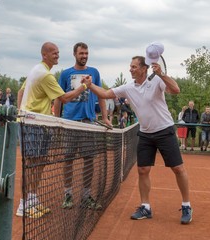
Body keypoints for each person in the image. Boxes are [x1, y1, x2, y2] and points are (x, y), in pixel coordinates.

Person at [82, 51, 193, 224]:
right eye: (130, 66)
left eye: (134, 66)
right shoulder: (127, 88)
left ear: (144, 68)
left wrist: (162, 74)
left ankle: (186, 205)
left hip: (165, 130)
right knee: (142, 170)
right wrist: (89, 85)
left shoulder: (156, 81)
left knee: (178, 169)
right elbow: (104, 94)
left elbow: (176, 90)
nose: (130, 69)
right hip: (146, 134)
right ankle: (145, 207)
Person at [16, 42, 88, 218]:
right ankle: (23, 205)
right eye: (53, 53)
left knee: (39, 163)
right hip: (32, 124)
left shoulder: (36, 70)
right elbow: (64, 98)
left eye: (58, 52)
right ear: (44, 55)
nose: (57, 55)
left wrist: (20, 113)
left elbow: (20, 92)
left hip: (37, 123)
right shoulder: (45, 75)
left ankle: (32, 200)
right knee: (31, 165)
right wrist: (83, 86)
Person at [54, 42, 111, 210]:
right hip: (70, 122)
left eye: (86, 53)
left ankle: (86, 196)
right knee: (68, 159)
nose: (84, 56)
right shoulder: (65, 74)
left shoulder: (94, 72)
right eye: (81, 53)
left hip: (88, 123)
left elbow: (101, 96)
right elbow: (59, 98)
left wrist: (106, 117)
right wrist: (57, 121)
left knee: (88, 159)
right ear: (74, 54)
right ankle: (68, 194)